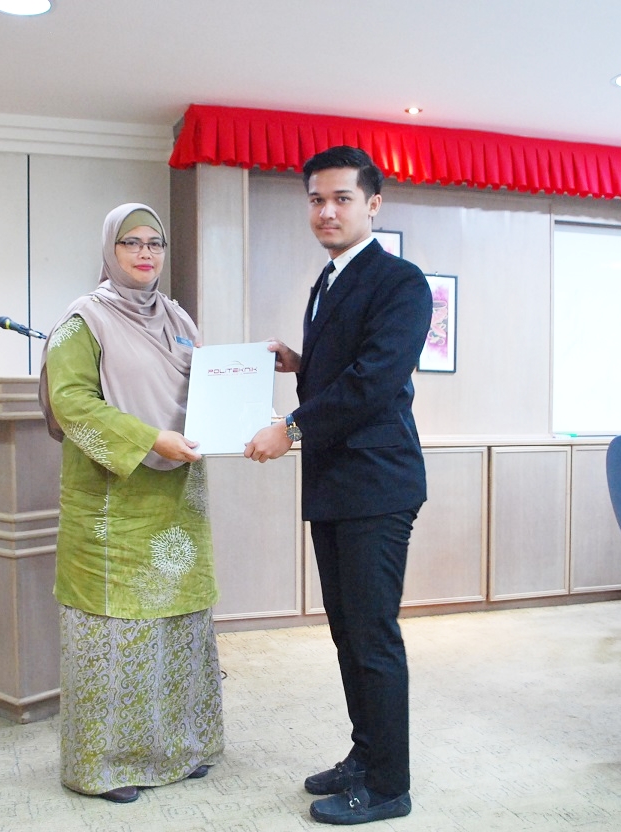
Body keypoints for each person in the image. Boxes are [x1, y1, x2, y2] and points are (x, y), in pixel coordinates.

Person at [244, 146, 431, 825]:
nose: (327, 211)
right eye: (317, 199)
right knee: (347, 633)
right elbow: (345, 367)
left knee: (373, 636)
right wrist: (301, 362)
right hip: (336, 481)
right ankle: (365, 754)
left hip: (377, 483)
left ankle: (389, 785)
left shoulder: (401, 281)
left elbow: (373, 381)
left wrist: (290, 429)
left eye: (342, 198)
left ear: (373, 204)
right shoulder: (328, 280)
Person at [41, 202, 223, 804]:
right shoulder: (83, 321)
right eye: (131, 242)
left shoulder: (178, 318)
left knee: (177, 628)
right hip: (112, 507)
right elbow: (71, 404)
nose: (146, 253)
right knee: (117, 636)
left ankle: (182, 749)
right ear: (109, 250)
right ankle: (107, 765)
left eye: (155, 243)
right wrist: (148, 440)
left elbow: (206, 388)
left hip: (177, 500)